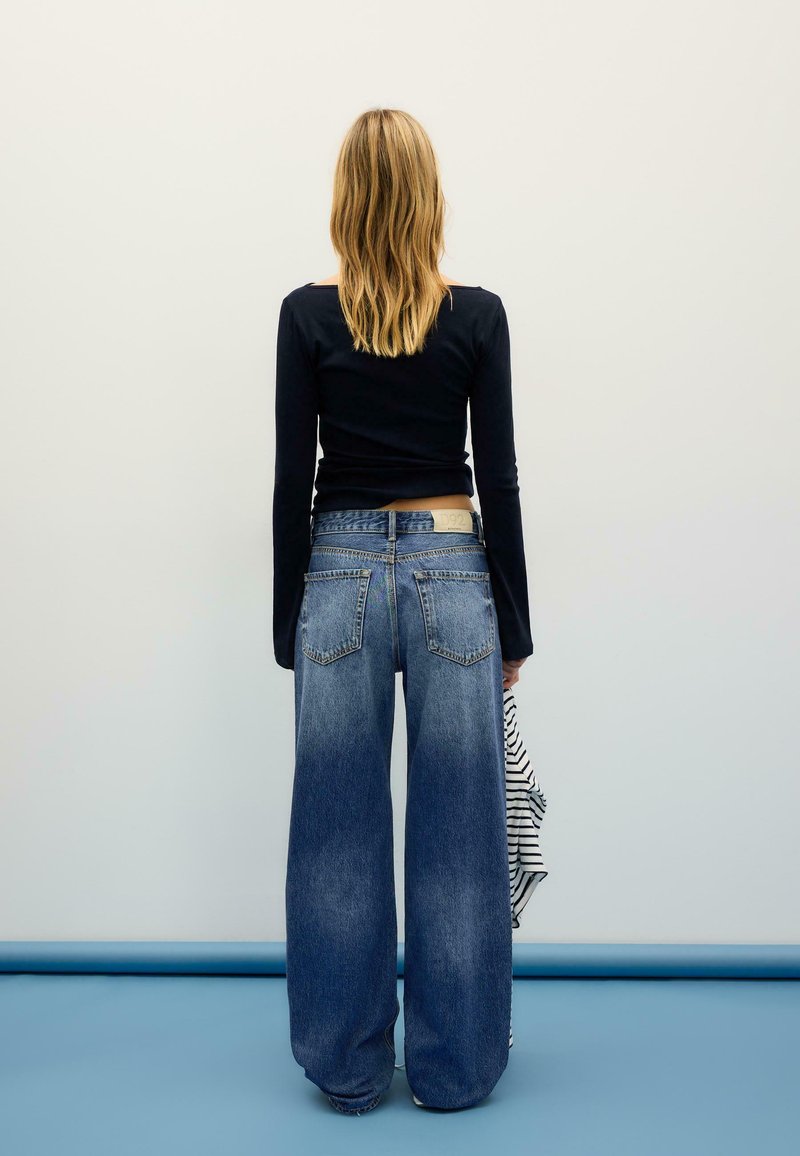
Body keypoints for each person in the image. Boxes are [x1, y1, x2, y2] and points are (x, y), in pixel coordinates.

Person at [272, 108, 534, 1114]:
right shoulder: (478, 316)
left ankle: (346, 1068)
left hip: (336, 574)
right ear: (429, 197)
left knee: (334, 832)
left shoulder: (304, 314)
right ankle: (453, 1070)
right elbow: (497, 478)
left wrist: (287, 622)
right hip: (452, 573)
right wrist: (514, 624)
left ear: (345, 198)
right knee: (460, 832)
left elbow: (292, 480)